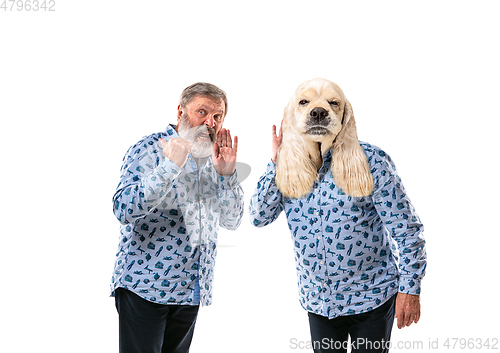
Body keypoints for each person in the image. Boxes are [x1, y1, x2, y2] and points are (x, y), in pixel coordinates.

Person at [249, 123, 427, 353]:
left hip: (372, 297)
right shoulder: (288, 166)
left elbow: (406, 228)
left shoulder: (371, 160)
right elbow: (259, 216)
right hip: (319, 301)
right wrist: (276, 163)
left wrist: (410, 288)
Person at [111, 82, 244, 353]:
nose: (210, 122)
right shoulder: (148, 149)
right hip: (145, 288)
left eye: (217, 116)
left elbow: (232, 221)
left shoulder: (213, 160)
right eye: (202, 112)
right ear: (180, 111)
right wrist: (170, 166)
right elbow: (123, 209)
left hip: (191, 290)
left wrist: (228, 176)